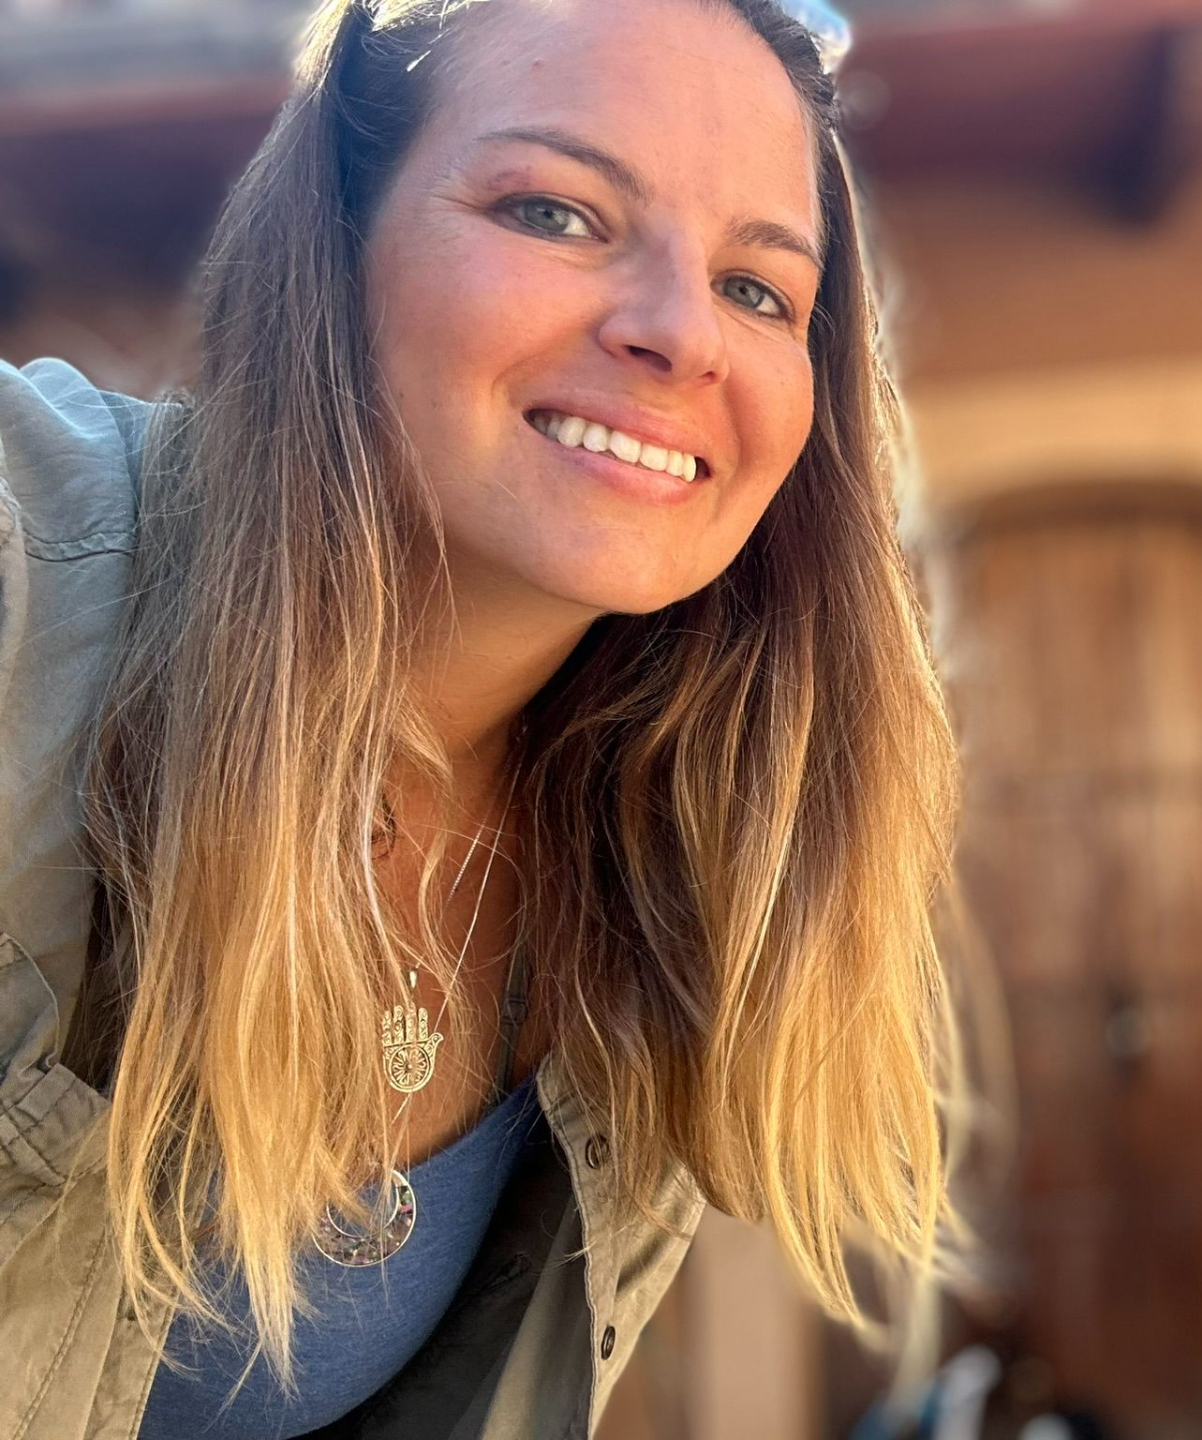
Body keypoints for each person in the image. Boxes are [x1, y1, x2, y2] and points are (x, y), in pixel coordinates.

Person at [0, 0, 975, 1436]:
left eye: (758, 289)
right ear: (336, 240)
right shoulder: (28, 569)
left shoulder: (680, 855)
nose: (679, 331)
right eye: (554, 212)